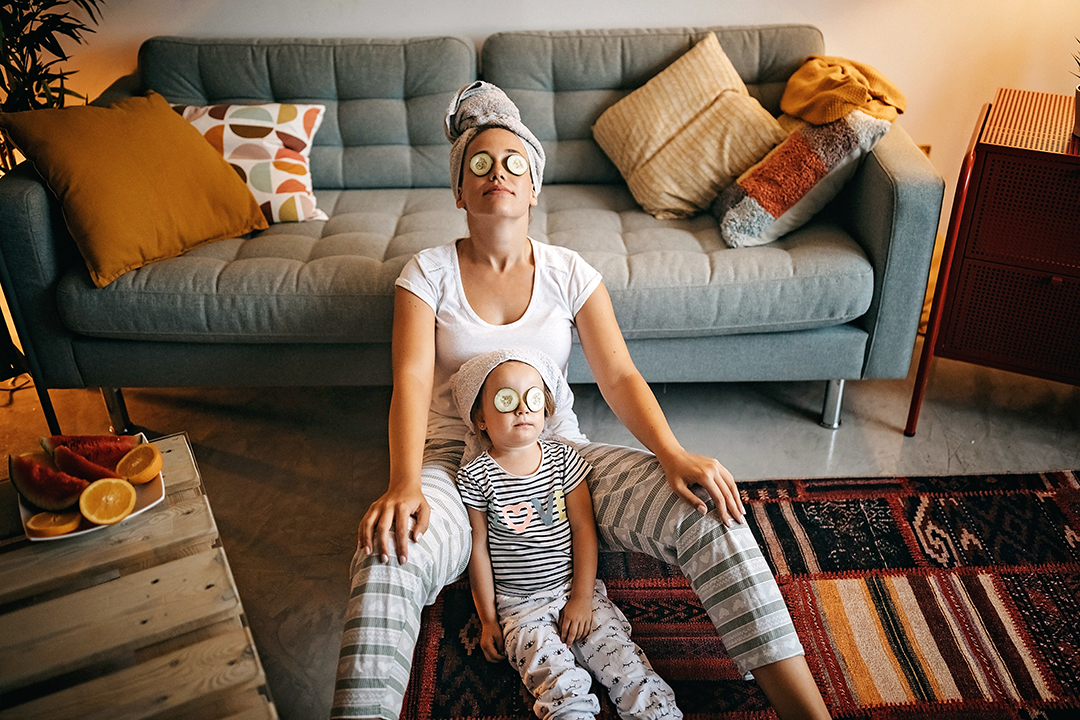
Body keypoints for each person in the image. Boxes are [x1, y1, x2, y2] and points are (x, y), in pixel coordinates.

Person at [332, 80, 831, 720]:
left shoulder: (571, 272)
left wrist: (673, 453)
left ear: (534, 187)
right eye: (480, 164)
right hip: (451, 473)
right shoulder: (427, 274)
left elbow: (619, 375)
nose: (499, 174)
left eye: (515, 163)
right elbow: (410, 382)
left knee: (711, 508)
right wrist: (404, 482)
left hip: (563, 462)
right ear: (460, 190)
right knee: (385, 554)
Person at [452, 348, 682, 719]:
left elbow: (583, 530)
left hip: (573, 589)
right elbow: (478, 549)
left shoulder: (564, 460)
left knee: (624, 662)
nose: (522, 409)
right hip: (520, 607)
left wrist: (580, 597)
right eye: (506, 400)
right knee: (557, 684)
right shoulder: (476, 476)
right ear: (480, 417)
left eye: (533, 398)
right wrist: (489, 619)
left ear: (545, 409)